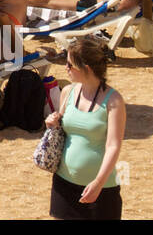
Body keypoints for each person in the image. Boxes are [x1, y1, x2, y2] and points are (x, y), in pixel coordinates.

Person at [47, 37, 125, 220]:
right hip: (64, 183)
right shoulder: (68, 92)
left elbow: (113, 146)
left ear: (86, 68)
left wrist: (98, 182)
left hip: (101, 188)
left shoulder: (114, 101)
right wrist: (52, 123)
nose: (65, 69)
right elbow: (63, 131)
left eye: (69, 65)